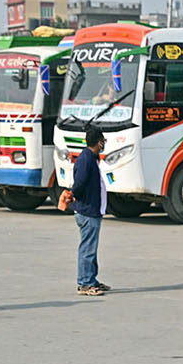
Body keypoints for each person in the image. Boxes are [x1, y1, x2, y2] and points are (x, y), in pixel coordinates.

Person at [70, 127, 108, 296]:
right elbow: (78, 184)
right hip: (88, 211)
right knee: (87, 248)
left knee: (91, 248)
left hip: (93, 210)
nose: (103, 144)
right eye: (103, 141)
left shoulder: (91, 158)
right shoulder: (86, 159)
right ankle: (85, 283)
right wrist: (76, 196)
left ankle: (91, 278)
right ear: (99, 142)